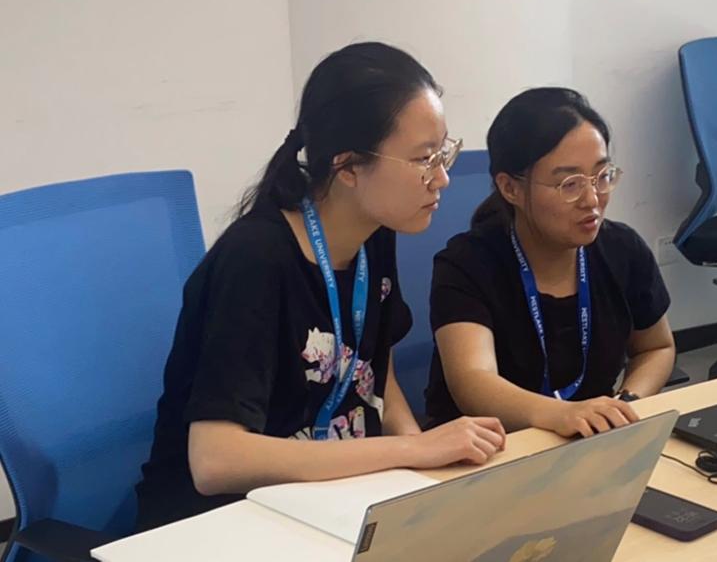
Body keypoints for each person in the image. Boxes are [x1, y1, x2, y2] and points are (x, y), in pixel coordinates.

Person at [136, 42, 505, 530]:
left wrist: (421, 474)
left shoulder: (374, 232)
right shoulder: (256, 260)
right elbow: (215, 461)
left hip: (332, 500)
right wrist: (411, 450)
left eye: (443, 153)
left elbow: (375, 370)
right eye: (423, 159)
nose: (442, 179)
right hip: (220, 524)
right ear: (347, 166)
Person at [426, 87, 676, 438]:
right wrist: (564, 415)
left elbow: (657, 347)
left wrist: (625, 404)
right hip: (488, 450)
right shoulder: (467, 264)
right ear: (510, 188)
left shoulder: (623, 249)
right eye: (569, 184)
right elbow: (474, 383)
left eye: (602, 176)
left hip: (591, 442)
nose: (592, 199)